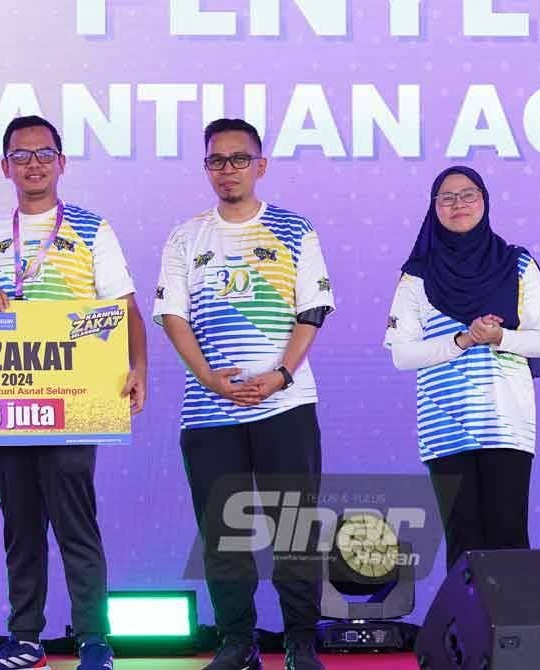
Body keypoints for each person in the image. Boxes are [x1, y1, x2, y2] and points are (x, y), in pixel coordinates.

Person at [0, 115, 147, 670]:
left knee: (75, 523)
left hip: (73, 403)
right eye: (21, 155)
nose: (33, 164)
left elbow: (124, 308)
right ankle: (25, 638)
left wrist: (138, 366)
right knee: (20, 525)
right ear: (4, 166)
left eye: (44, 154)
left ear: (61, 162)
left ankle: (93, 638)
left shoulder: (92, 231)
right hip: (3, 406)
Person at [154, 118, 334, 670]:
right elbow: (171, 314)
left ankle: (301, 641)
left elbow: (312, 311)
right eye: (216, 161)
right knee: (222, 532)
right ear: (206, 167)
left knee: (294, 529)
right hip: (210, 410)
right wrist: (209, 377)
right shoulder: (187, 236)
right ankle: (238, 642)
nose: (227, 170)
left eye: (238, 159)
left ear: (261, 164)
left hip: (286, 403)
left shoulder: (293, 228)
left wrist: (280, 375)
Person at [385, 165, 540, 570]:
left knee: (509, 539)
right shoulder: (417, 275)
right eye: (447, 197)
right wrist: (463, 340)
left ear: (485, 201)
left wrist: (501, 339)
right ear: (434, 207)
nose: (457, 204)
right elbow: (402, 355)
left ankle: (513, 636)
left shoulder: (517, 264)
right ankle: (463, 635)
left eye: (468, 195)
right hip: (445, 426)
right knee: (463, 546)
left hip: (506, 423)